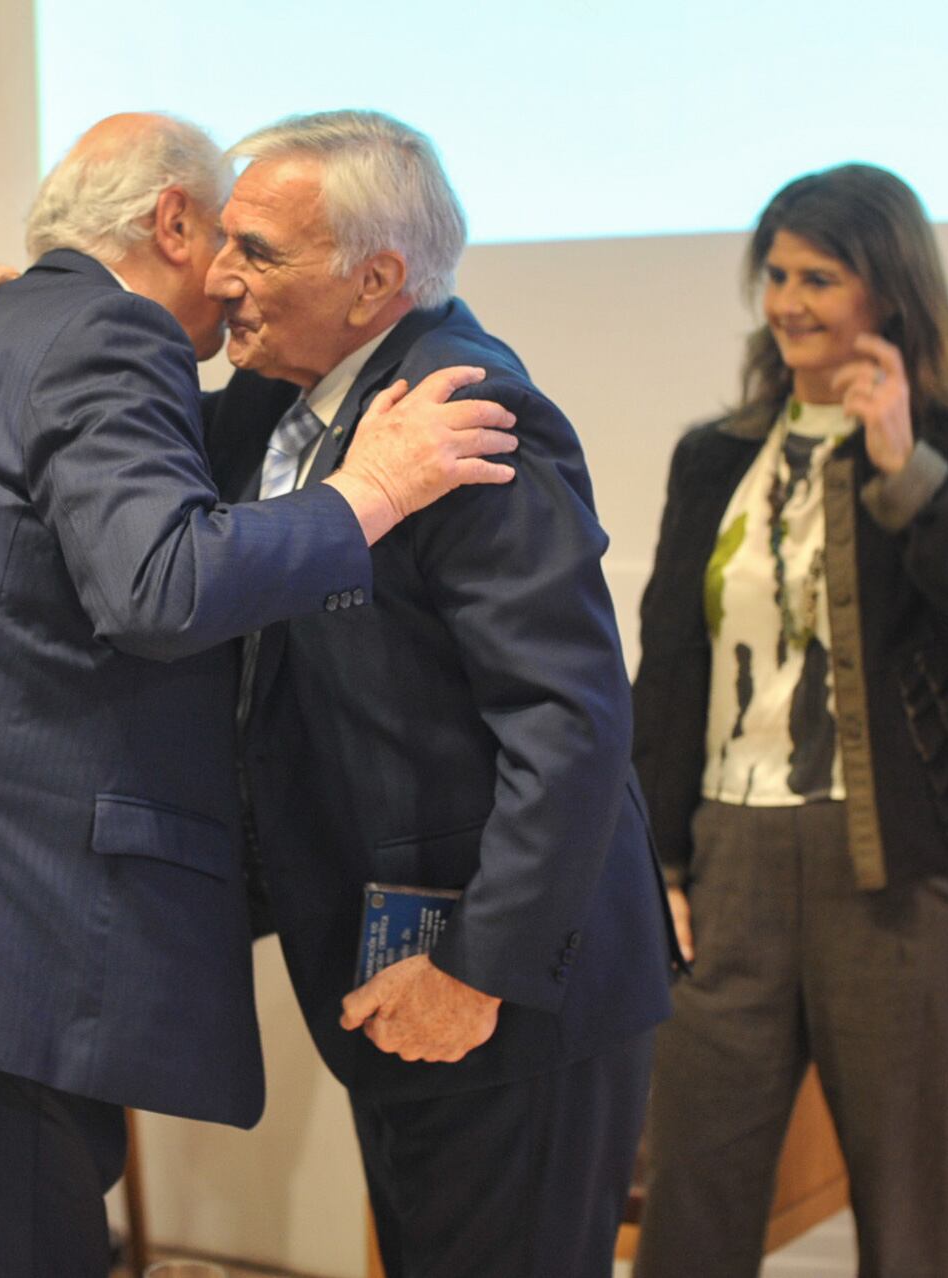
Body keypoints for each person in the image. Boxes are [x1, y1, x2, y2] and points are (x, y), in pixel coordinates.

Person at [0, 112, 518, 1278]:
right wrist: (367, 493)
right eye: (227, 238)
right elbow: (162, 585)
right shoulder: (112, 336)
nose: (233, 278)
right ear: (173, 222)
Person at [204, 111, 673, 1278]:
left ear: (375, 282)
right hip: (397, 976)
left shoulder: (467, 413)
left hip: (501, 993)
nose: (221, 278)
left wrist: (479, 968)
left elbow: (569, 719)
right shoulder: (278, 407)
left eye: (257, 252)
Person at [630, 163, 948, 1276]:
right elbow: (668, 667)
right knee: (690, 1208)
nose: (788, 301)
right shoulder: (713, 455)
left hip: (902, 867)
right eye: (776, 273)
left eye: (820, 276)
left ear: (890, 293)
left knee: (910, 1224)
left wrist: (905, 467)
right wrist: (652, 853)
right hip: (728, 859)